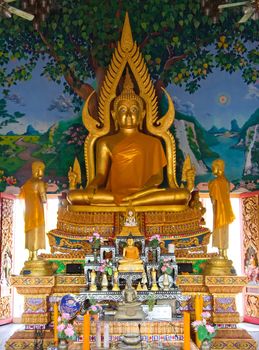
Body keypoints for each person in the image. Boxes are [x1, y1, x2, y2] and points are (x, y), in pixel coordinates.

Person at [67, 69, 190, 207]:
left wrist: (141, 191)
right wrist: (92, 186)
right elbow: (101, 175)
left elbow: (158, 177)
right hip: (114, 194)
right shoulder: (105, 143)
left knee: (182, 195)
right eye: (123, 110)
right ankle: (132, 201)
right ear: (114, 115)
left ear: (142, 114)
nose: (129, 115)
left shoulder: (153, 142)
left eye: (134, 110)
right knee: (75, 196)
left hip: (144, 193)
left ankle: (131, 200)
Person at [19, 161, 47, 261]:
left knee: (30, 232)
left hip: (28, 211)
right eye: (42, 169)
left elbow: (22, 197)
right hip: (37, 211)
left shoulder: (27, 184)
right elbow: (44, 199)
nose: (42, 172)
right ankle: (35, 255)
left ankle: (30, 255)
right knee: (36, 231)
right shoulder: (39, 183)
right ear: (37, 169)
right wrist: (45, 188)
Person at [208, 159, 235, 258]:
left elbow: (213, 199)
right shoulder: (227, 182)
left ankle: (221, 253)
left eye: (214, 167)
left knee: (219, 229)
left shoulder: (214, 182)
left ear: (219, 168)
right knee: (225, 230)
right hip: (226, 211)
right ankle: (224, 253)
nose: (212, 169)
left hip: (219, 211)